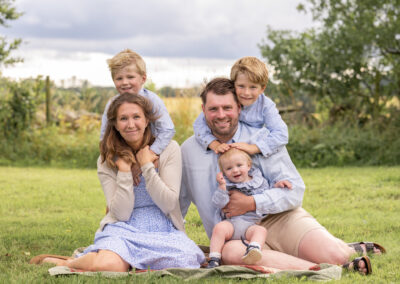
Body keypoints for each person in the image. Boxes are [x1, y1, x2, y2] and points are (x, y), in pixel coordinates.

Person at [180, 77, 373, 275]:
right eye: (213, 109)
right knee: (230, 255)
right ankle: (323, 270)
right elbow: (177, 205)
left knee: (335, 254)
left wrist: (251, 202)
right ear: (203, 110)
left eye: (227, 107)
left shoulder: (263, 139)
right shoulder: (187, 151)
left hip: (277, 218)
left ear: (239, 107)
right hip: (234, 234)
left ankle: (343, 251)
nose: (221, 115)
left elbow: (295, 191)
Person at [34, 94, 204, 271]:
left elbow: (169, 204)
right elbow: (121, 214)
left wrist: (146, 165)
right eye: (123, 118)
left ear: (147, 120)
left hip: (162, 227)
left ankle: (124, 262)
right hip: (124, 227)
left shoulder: (170, 149)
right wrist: (124, 171)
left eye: (136, 117)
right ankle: (68, 263)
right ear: (115, 125)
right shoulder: (106, 160)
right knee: (109, 265)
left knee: (186, 262)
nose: (131, 124)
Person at [207, 148, 292, 268]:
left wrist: (277, 185)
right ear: (224, 172)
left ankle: (253, 249)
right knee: (219, 228)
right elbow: (219, 203)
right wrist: (222, 187)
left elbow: (266, 192)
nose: (235, 170)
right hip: (231, 223)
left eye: (239, 165)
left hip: (250, 225)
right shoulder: (227, 185)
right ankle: (214, 258)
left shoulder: (259, 181)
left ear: (248, 166)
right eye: (229, 168)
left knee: (261, 231)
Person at [193, 56, 287, 157]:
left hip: (251, 144)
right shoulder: (228, 101)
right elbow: (199, 125)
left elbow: (281, 134)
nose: (246, 93)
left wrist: (254, 148)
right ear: (233, 85)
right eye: (241, 86)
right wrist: (214, 144)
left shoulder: (266, 106)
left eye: (253, 87)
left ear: (262, 88)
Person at [100, 49, 175, 157]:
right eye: (119, 78)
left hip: (151, 153)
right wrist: (116, 157)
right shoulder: (112, 104)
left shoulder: (152, 100)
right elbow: (104, 135)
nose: (125, 82)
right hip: (123, 154)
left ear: (143, 78)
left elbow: (167, 129)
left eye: (130, 77)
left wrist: (151, 152)